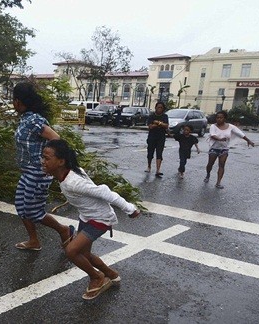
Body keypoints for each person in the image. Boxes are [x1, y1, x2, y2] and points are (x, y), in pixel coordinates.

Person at [42, 139, 141, 300]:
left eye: (47, 158)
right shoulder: (69, 172)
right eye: (43, 157)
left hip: (100, 219)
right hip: (87, 216)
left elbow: (104, 192)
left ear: (61, 161)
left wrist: (130, 209)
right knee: (83, 254)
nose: (43, 161)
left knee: (72, 251)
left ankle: (96, 277)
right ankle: (110, 274)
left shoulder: (73, 182)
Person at [13, 82, 75, 251]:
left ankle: (64, 230)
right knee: (21, 206)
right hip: (27, 171)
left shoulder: (34, 120)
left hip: (38, 172)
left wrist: (49, 162)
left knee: (33, 211)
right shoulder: (26, 118)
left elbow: (56, 138)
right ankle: (33, 241)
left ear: (18, 101)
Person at [204, 110, 255, 189]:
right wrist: (220, 139)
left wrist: (248, 140)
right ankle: (208, 174)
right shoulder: (213, 126)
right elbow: (213, 135)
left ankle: (218, 182)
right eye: (217, 118)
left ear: (225, 118)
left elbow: (240, 133)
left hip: (224, 149)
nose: (219, 119)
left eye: (221, 118)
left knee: (221, 165)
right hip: (214, 148)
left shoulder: (231, 126)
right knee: (210, 164)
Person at [145, 101, 169, 177]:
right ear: (155, 108)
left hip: (161, 137)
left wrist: (157, 123)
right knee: (150, 152)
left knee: (159, 153)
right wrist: (160, 124)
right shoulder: (152, 116)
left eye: (161, 108)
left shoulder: (165, 116)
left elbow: (166, 126)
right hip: (152, 136)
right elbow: (150, 126)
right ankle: (149, 166)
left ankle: (158, 170)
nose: (159, 109)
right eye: (158, 107)